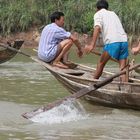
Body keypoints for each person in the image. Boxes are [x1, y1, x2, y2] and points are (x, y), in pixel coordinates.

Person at [84, 0, 128, 82]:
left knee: (101, 64)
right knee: (123, 68)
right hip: (124, 41)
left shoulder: (98, 14)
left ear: (97, 8)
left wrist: (91, 45)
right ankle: (125, 87)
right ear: (107, 8)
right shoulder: (113, 14)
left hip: (112, 42)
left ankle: (92, 83)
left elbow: (97, 28)